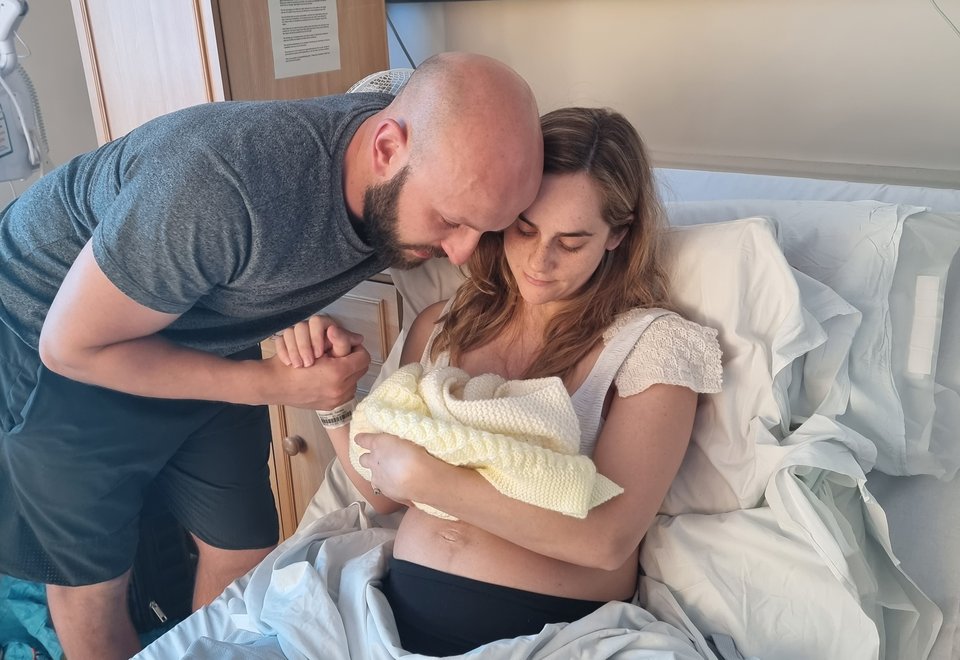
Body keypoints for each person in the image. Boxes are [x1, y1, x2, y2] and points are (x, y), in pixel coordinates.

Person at [0, 52, 542, 659]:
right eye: (449, 220)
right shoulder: (217, 187)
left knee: (242, 549)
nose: (463, 252)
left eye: (486, 228)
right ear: (386, 147)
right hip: (62, 333)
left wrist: (293, 310)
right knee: (94, 584)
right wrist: (274, 385)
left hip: (207, 326)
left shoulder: (399, 126)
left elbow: (405, 93)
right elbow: (71, 346)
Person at [276, 106, 723, 655]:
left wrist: (433, 483)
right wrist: (334, 398)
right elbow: (382, 493)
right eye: (525, 228)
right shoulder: (444, 325)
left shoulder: (652, 347)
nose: (540, 260)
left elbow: (607, 540)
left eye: (572, 241)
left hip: (551, 635)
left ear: (617, 235)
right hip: (390, 619)